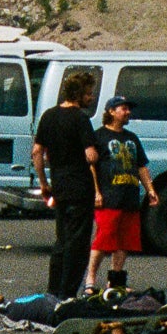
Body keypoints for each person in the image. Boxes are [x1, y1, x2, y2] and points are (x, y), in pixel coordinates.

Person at [32, 70, 99, 298]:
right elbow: (90, 155)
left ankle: (53, 290)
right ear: (79, 94)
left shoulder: (48, 116)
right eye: (88, 93)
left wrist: (43, 182)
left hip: (59, 185)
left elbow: (37, 152)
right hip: (80, 186)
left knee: (61, 240)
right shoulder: (81, 119)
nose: (90, 98)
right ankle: (68, 294)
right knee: (78, 243)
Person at [86, 97, 158, 295]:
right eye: (123, 109)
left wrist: (150, 189)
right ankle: (90, 279)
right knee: (104, 237)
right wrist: (96, 192)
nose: (127, 113)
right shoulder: (99, 136)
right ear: (111, 111)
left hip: (130, 196)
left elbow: (141, 166)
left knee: (125, 241)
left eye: (128, 109)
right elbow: (91, 166)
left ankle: (115, 281)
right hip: (109, 196)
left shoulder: (132, 138)